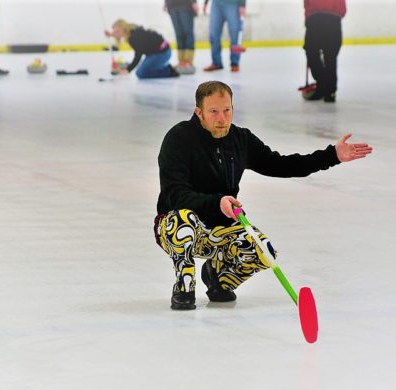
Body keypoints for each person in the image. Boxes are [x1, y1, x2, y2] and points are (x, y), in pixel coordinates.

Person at [154, 81, 373, 310]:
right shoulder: (179, 139)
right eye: (214, 112)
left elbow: (282, 165)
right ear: (199, 112)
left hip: (220, 228)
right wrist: (216, 202)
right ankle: (184, 286)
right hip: (178, 226)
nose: (222, 118)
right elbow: (175, 194)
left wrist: (332, 156)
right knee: (183, 221)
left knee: (263, 250)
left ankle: (218, 277)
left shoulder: (241, 139)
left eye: (227, 110)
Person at [303, 0, 346, 103]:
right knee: (329, 56)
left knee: (313, 52)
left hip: (318, 19)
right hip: (331, 20)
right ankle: (328, 90)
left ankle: (323, 86)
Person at [105, 19, 179, 79]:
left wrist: (128, 70)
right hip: (154, 53)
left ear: (124, 28)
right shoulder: (132, 30)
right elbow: (118, 35)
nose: (116, 33)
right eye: (114, 31)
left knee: (141, 73)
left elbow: (138, 55)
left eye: (117, 31)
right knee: (141, 70)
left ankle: (169, 71)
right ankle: (161, 66)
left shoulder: (134, 37)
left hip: (162, 53)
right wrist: (111, 35)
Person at [202, 0, 245, 72]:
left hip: (233, 4)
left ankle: (235, 63)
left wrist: (242, 4)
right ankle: (216, 62)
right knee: (213, 34)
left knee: (235, 34)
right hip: (216, 4)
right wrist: (205, 3)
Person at [164, 0, 198, 74]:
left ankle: (188, 60)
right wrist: (166, 2)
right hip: (172, 6)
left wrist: (193, 2)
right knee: (178, 34)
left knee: (187, 33)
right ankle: (181, 60)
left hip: (185, 5)